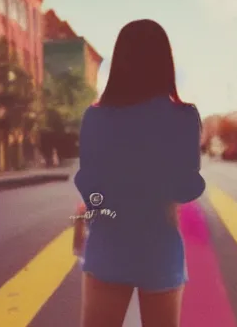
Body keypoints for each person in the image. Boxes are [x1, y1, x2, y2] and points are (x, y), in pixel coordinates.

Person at [74, 19, 206, 327]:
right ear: (165, 62)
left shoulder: (95, 117)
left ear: (119, 62)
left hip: (109, 244)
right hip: (159, 247)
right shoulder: (184, 117)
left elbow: (89, 186)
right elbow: (187, 188)